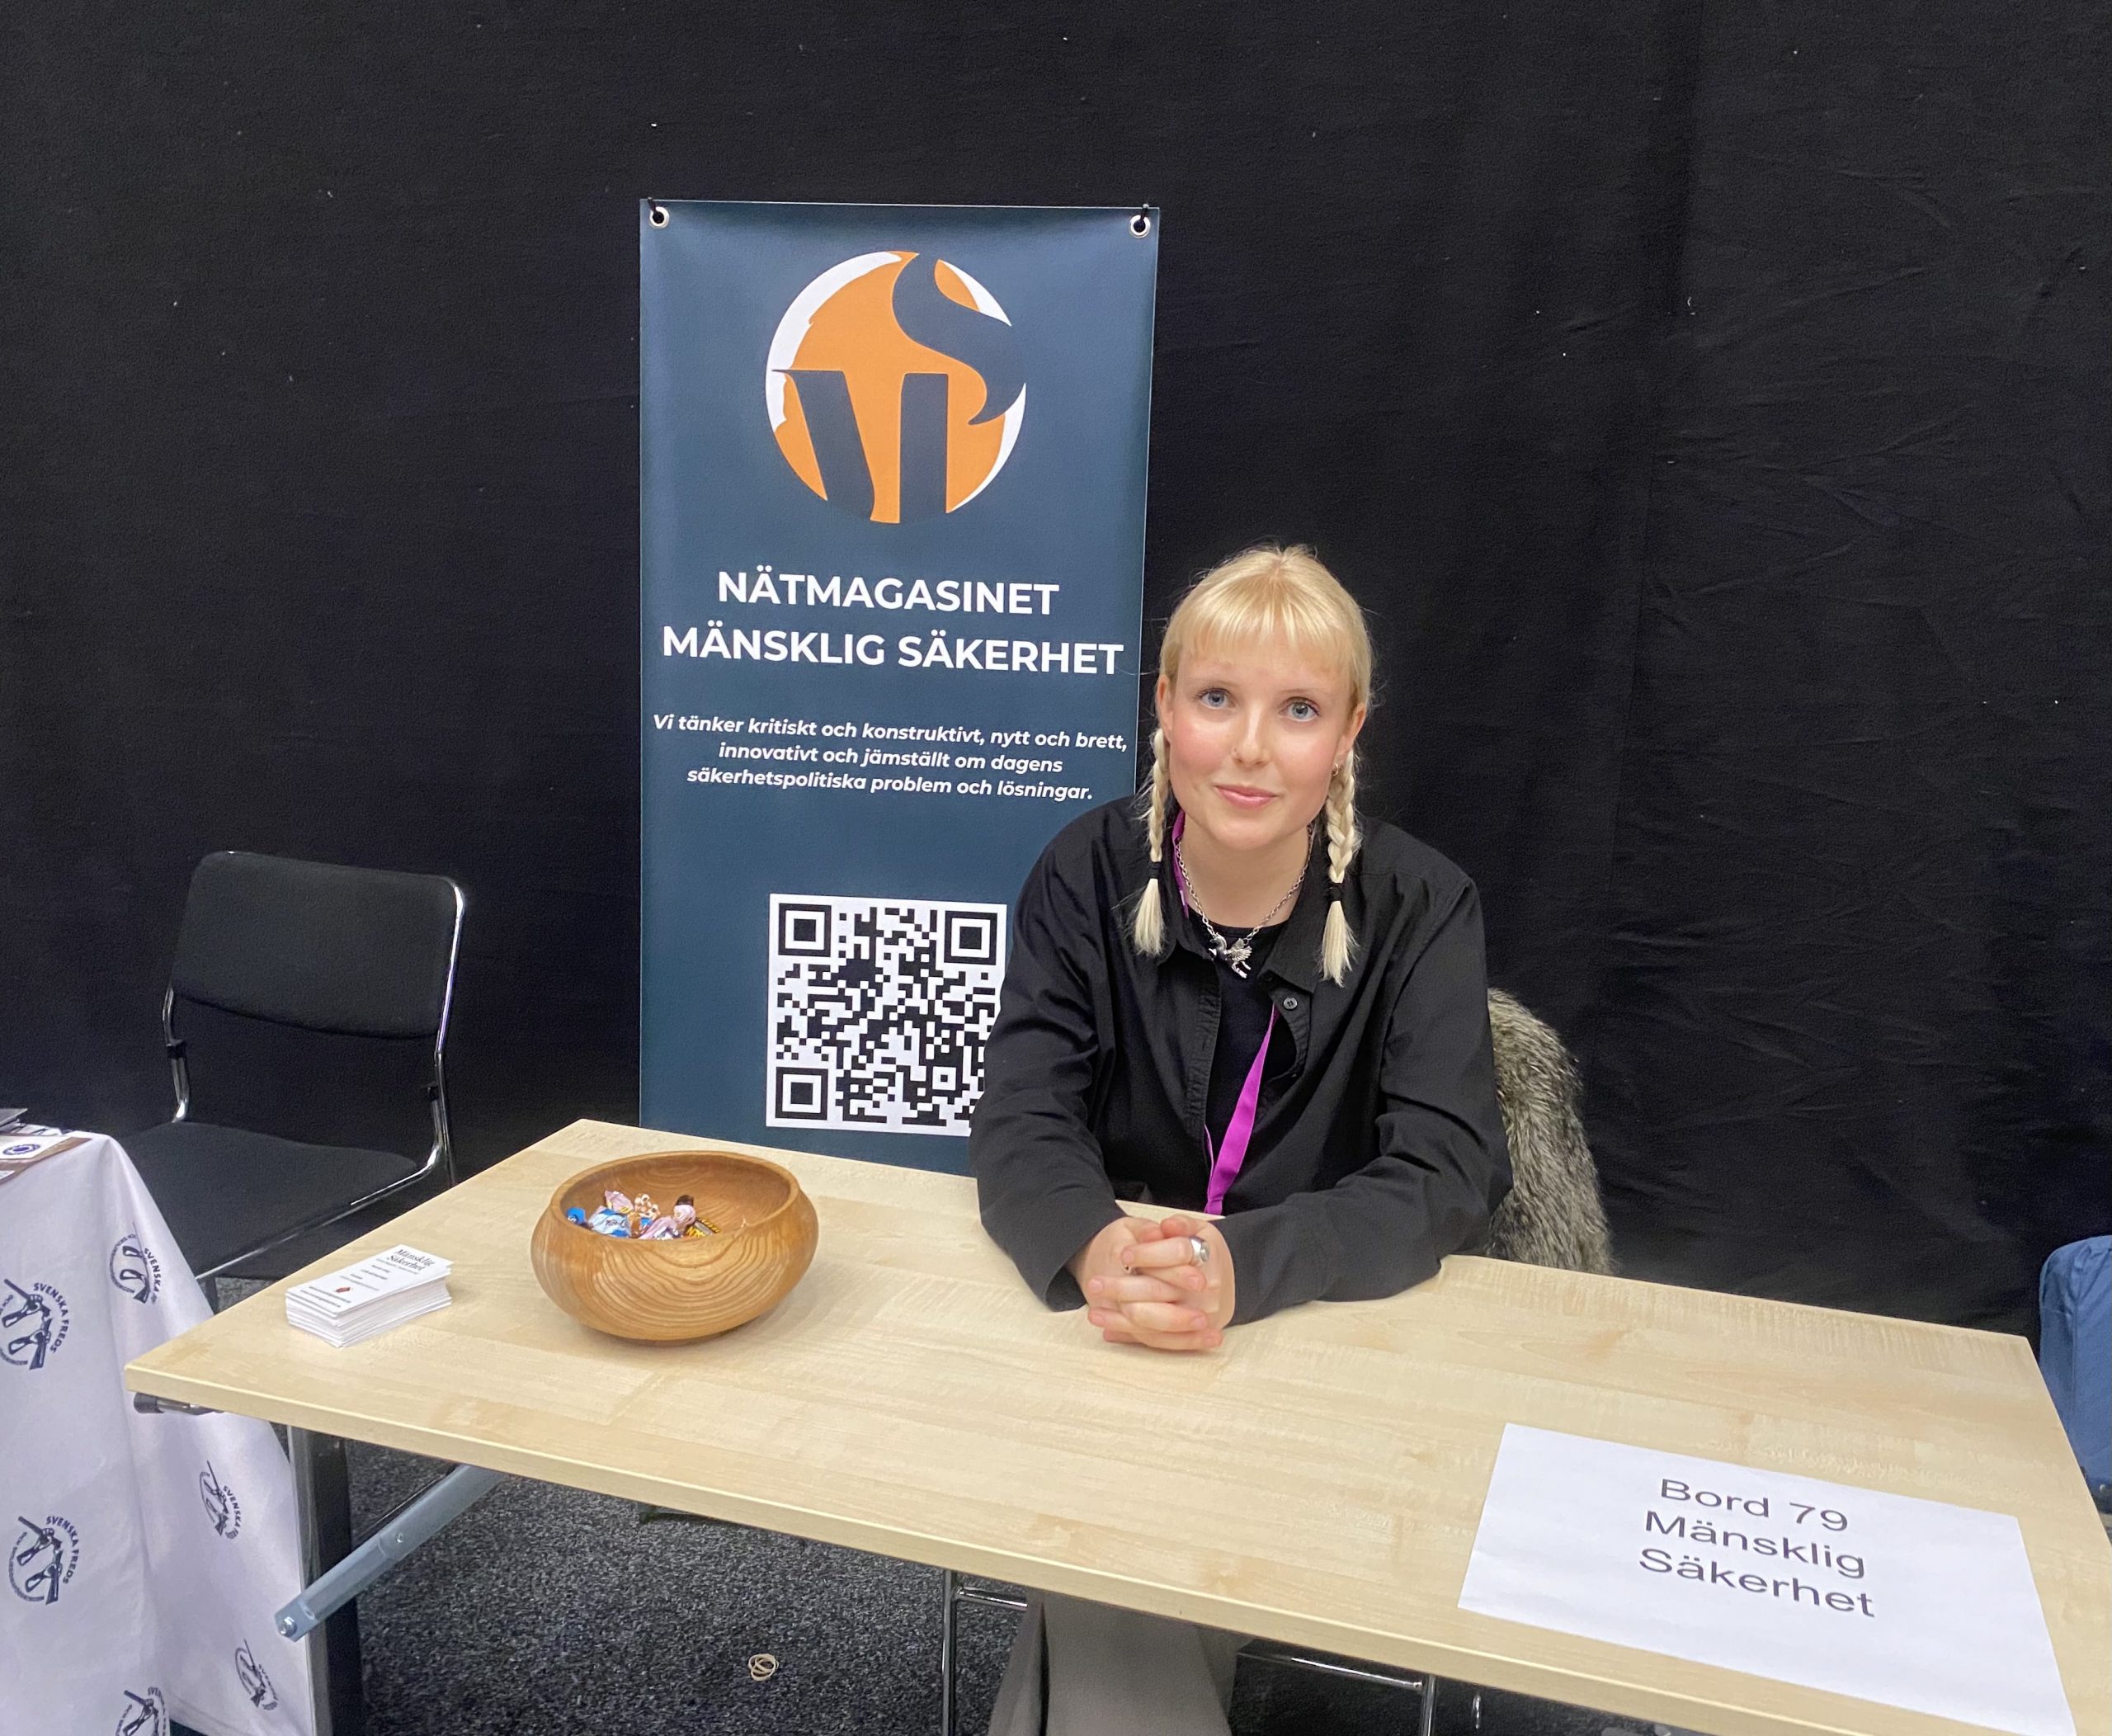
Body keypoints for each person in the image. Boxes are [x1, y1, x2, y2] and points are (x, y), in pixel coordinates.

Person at [968, 545, 1513, 1735]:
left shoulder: (1424, 904)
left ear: (1349, 732)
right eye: (1218, 698)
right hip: (1119, 1327)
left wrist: (1241, 1267)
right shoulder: (1082, 872)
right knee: (1110, 1533)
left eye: (1299, 710)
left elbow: (1446, 1171)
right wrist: (1096, 1248)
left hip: (1328, 1334)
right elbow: (1020, 1112)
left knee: (1098, 1569)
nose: (1252, 748)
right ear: (1165, 708)